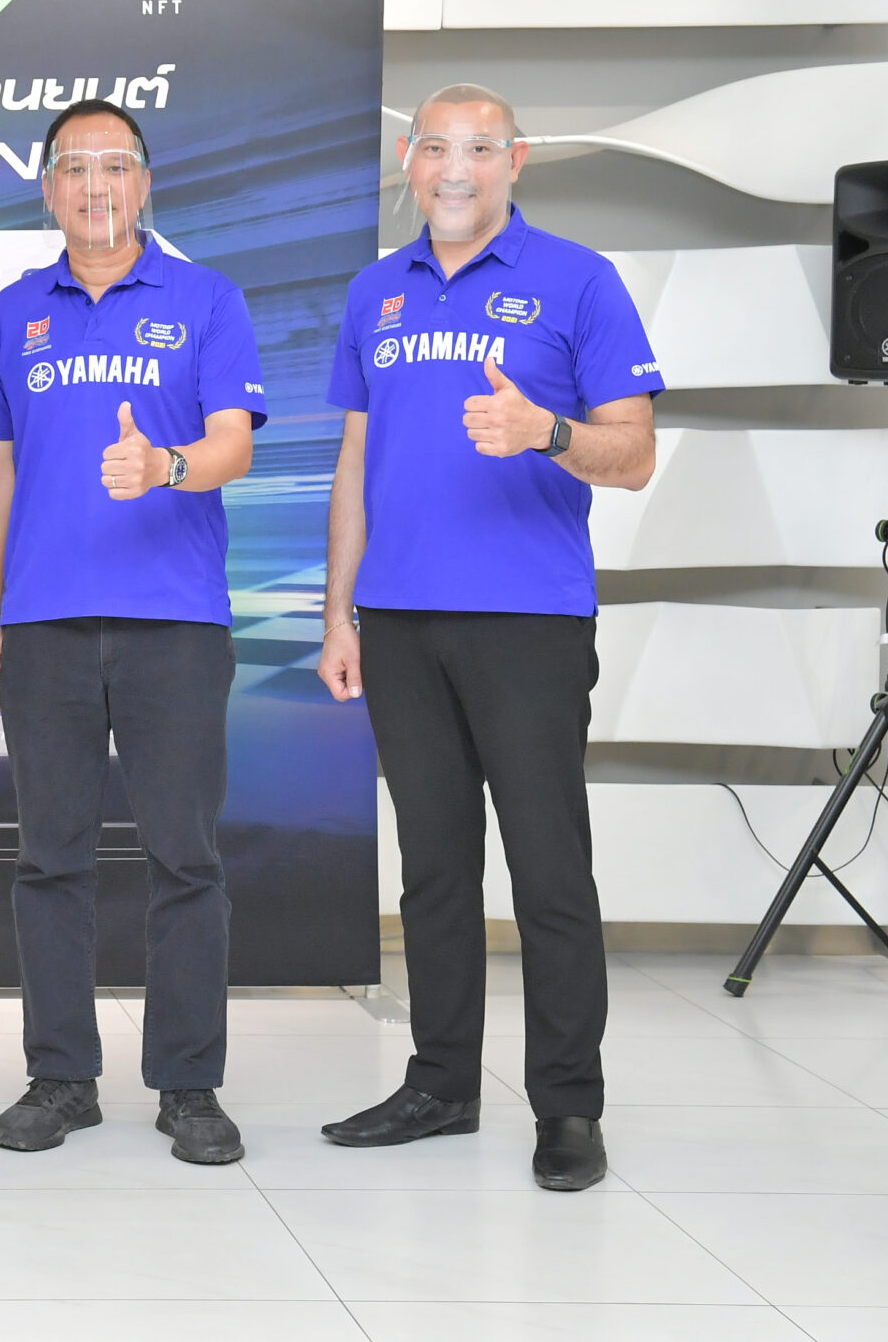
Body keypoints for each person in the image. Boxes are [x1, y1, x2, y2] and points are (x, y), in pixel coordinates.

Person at [316, 83, 659, 1192]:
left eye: (478, 148)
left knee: (548, 868)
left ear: (516, 162)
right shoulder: (375, 291)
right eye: (433, 147)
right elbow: (355, 462)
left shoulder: (579, 280)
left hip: (529, 619)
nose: (453, 168)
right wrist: (339, 610)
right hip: (400, 619)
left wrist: (546, 430)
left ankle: (568, 1106)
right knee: (432, 869)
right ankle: (441, 1084)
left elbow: (635, 453)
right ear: (408, 163)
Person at [0, 98, 262, 1164]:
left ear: (144, 183)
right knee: (51, 858)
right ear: (48, 190)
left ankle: (188, 1084)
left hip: (174, 621)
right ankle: (61, 1076)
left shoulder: (206, 299)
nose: (95, 187)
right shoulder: (14, 314)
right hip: (43, 624)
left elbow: (234, 444)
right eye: (74, 169)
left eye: (115, 166)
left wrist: (164, 465)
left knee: (185, 857)